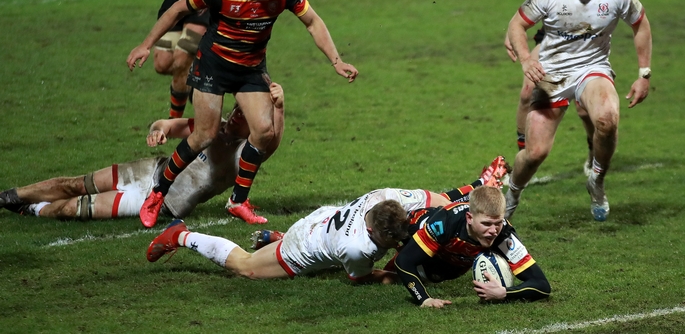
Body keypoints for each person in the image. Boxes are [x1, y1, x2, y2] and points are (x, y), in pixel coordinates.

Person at [127, 0, 359, 228]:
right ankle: (159, 191)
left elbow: (313, 22)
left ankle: (238, 201)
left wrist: (337, 61)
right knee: (205, 135)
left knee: (263, 131)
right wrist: (146, 45)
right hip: (214, 66)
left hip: (249, 69)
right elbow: (177, 10)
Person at [144, 158, 511, 283]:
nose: (392, 247)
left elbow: (445, 199)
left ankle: (274, 235)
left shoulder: (389, 198)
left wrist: (481, 185)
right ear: (374, 234)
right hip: (306, 244)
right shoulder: (357, 248)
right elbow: (361, 277)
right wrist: (401, 274)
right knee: (247, 268)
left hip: (327, 216)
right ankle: (181, 236)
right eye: (390, 243)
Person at [504, 0, 652, 222]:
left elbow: (641, 25)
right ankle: (512, 196)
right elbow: (516, 24)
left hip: (592, 68)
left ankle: (596, 180)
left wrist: (643, 74)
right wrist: (525, 59)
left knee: (607, 120)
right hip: (552, 73)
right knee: (535, 154)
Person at [0, 84, 285, 223]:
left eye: (243, 113)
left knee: (70, 207)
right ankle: (11, 196)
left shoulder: (243, 156)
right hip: (150, 169)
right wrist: (157, 130)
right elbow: (167, 124)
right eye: (236, 109)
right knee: (75, 183)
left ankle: (33, 209)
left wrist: (279, 107)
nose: (236, 114)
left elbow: (271, 142)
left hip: (159, 202)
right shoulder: (211, 127)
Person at [505, 0, 639, 176]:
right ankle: (522, 155)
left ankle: (594, 149)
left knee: (583, 108)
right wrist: (513, 29)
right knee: (527, 91)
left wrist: (615, 4)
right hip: (554, 36)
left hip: (587, 37)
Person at [392, 186, 551, 308]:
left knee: (442, 274)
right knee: (407, 267)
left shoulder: (505, 237)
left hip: (454, 260)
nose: (493, 231)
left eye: (498, 223)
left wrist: (504, 293)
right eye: (486, 224)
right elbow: (404, 261)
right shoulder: (445, 223)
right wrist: (424, 299)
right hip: (417, 224)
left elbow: (542, 285)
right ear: (469, 218)